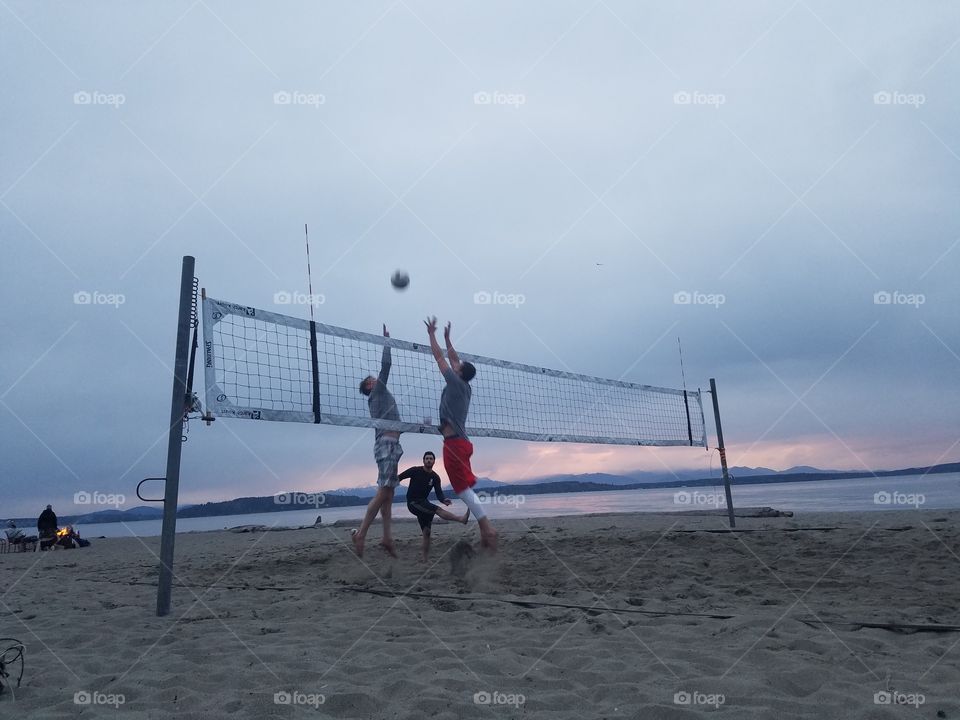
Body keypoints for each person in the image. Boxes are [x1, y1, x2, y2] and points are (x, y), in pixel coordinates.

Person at [425, 317, 497, 551]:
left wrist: (432, 335)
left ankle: (486, 527)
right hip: (462, 443)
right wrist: (448, 338)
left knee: (462, 490)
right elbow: (453, 359)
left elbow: (440, 358)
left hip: (455, 445)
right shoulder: (465, 384)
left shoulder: (456, 383)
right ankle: (485, 526)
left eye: (458, 365)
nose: (455, 363)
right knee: (464, 488)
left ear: (460, 372)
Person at [352, 325, 403, 558]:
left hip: (390, 444)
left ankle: (387, 537)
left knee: (389, 495)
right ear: (370, 385)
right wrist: (386, 341)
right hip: (386, 445)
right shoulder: (378, 392)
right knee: (384, 492)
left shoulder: (378, 397)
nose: (375, 377)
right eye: (372, 378)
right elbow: (387, 366)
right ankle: (361, 533)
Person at [399, 451, 470, 562]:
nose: (428, 460)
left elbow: (439, 493)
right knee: (437, 510)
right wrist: (389, 486)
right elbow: (399, 477)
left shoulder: (435, 477)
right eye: (426, 458)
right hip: (413, 503)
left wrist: (443, 499)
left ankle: (425, 559)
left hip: (423, 503)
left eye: (431, 458)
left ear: (434, 461)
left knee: (427, 532)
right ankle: (461, 519)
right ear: (423, 460)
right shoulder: (415, 470)